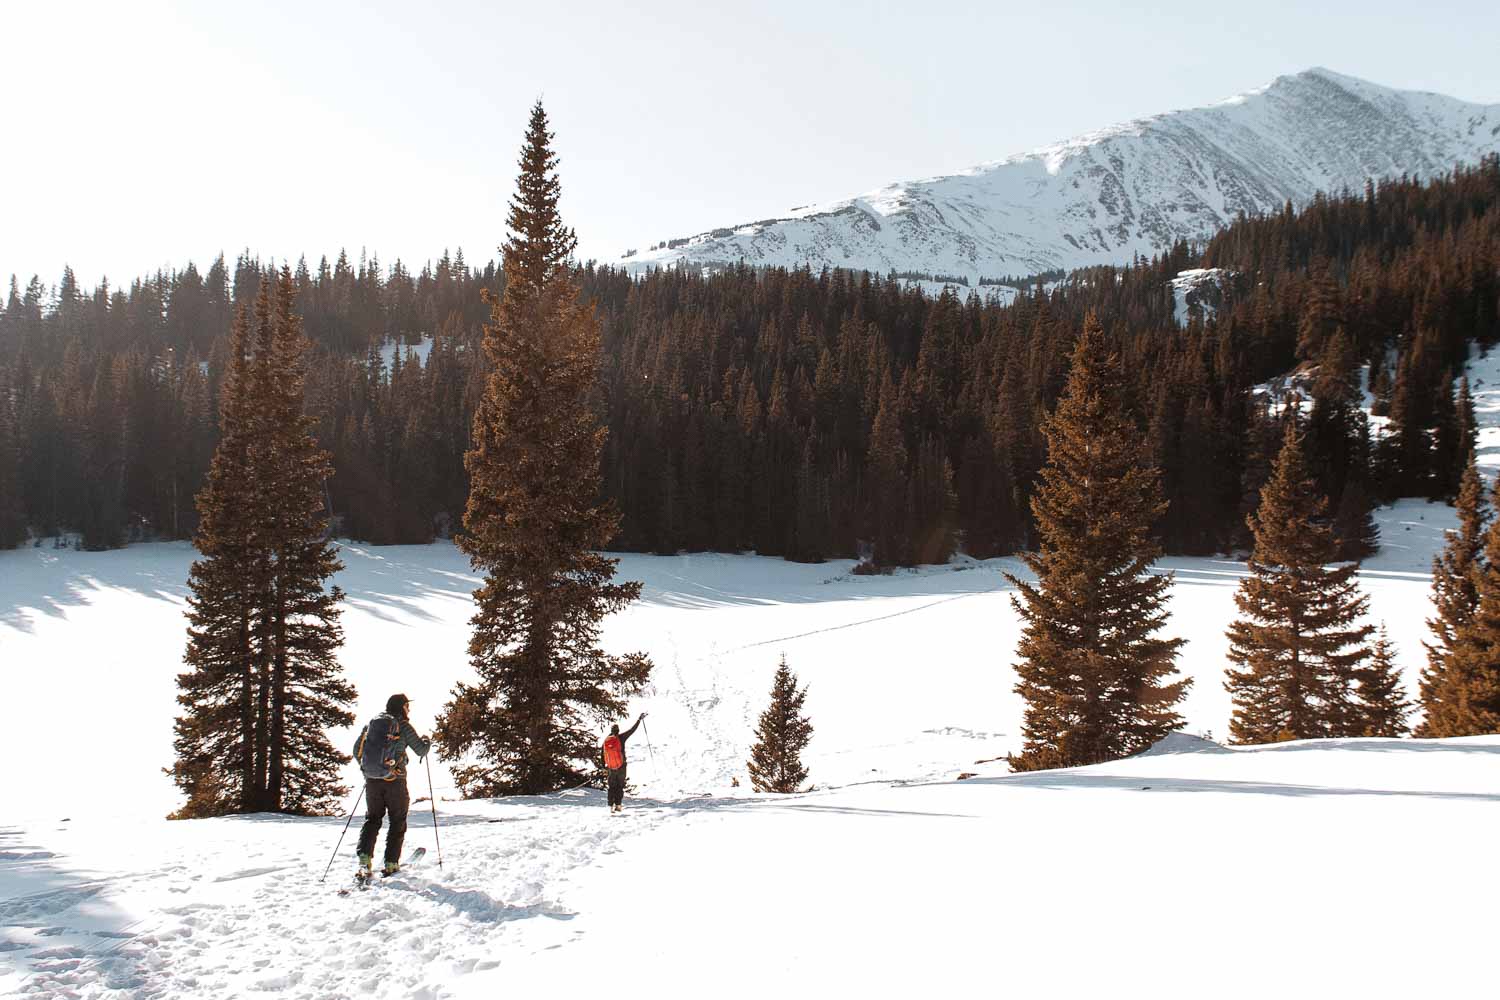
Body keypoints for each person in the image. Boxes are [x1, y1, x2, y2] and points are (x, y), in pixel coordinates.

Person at [352, 693, 430, 877]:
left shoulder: (372, 724)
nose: (409, 709)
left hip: (372, 782)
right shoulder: (403, 726)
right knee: (397, 820)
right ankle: (391, 863)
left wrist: (372, 770)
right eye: (407, 706)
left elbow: (357, 751)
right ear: (402, 707)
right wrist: (427, 740)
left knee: (372, 819)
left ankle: (364, 859)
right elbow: (421, 750)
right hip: (396, 781)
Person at [603, 712, 646, 813]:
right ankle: (618, 805)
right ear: (618, 731)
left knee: (611, 787)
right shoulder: (621, 738)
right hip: (621, 766)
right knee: (619, 786)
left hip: (610, 767)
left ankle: (611, 805)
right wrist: (639, 720)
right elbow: (632, 730)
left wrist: (605, 766)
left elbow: (603, 755)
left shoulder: (606, 741)